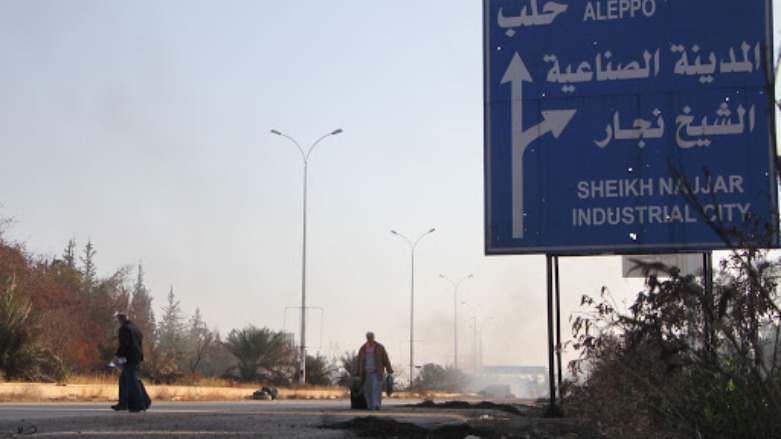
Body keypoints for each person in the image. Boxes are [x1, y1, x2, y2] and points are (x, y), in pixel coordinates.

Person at [111, 312, 146, 412]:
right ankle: (124, 403)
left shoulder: (124, 329)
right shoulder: (136, 329)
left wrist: (118, 356)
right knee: (126, 379)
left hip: (130, 358)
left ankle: (139, 404)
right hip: (137, 357)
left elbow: (124, 344)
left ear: (120, 319)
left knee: (130, 379)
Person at [357, 331, 393, 411]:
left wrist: (389, 369)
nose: (370, 339)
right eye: (368, 337)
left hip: (377, 373)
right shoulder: (363, 349)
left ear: (373, 337)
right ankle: (370, 405)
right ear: (366, 338)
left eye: (371, 337)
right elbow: (359, 361)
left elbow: (385, 359)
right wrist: (358, 372)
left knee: (376, 388)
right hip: (366, 373)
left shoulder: (380, 347)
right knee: (367, 389)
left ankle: (376, 404)